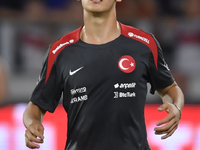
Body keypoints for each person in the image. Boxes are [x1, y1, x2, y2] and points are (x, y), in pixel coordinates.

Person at [23, 0, 184, 150]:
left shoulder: (144, 44)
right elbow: (36, 105)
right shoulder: (59, 51)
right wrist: (33, 123)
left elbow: (170, 88)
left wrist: (175, 107)